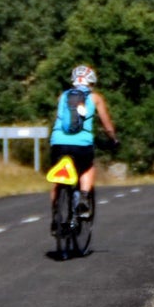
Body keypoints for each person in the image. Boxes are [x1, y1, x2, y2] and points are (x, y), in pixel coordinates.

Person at [48, 64, 118, 224]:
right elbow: (106, 124)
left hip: (58, 143)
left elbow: (59, 119)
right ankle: (84, 197)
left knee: (57, 178)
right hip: (82, 144)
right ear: (91, 82)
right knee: (87, 167)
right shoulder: (95, 98)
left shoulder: (62, 97)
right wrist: (113, 139)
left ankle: (55, 217)